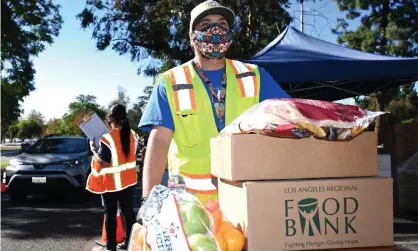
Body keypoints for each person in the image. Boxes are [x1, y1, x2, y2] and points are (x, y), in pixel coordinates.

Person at [138, 1, 290, 207]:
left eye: (222, 24)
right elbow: (159, 143)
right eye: (205, 24)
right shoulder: (170, 81)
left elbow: (289, 120)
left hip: (246, 200)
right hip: (190, 205)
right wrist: (149, 200)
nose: (215, 30)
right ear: (192, 37)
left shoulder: (255, 76)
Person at [86, 104, 138, 251]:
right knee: (128, 213)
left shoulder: (108, 139)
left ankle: (111, 247)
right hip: (129, 181)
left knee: (110, 213)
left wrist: (94, 151)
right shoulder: (134, 134)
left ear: (110, 119)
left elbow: (104, 163)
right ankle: (130, 243)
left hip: (112, 184)